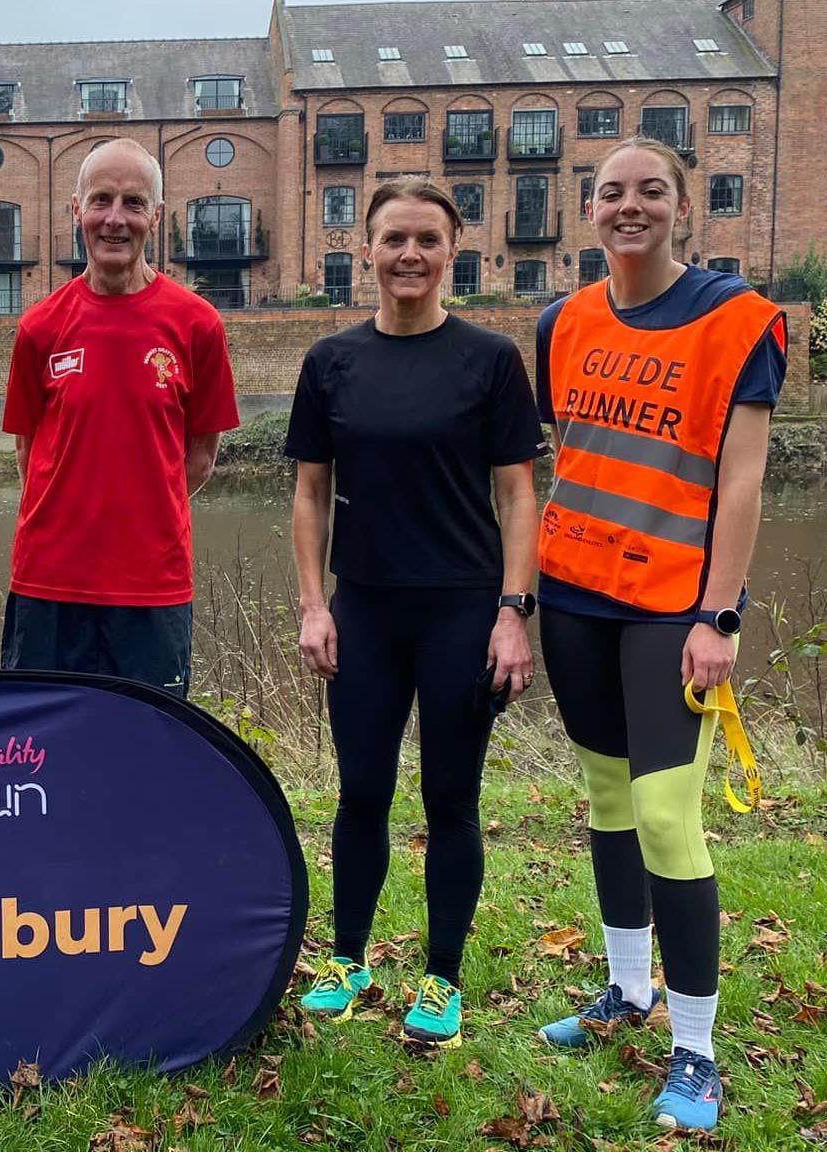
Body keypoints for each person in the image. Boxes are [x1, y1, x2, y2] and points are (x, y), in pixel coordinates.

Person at [531, 137, 784, 1135]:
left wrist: (717, 615)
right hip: (572, 594)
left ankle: (695, 1047)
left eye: (648, 191)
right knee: (604, 796)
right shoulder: (561, 322)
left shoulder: (734, 320)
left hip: (670, 607)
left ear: (679, 207)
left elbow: (742, 481)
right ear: (586, 211)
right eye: (609, 193)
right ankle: (625, 990)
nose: (626, 206)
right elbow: (569, 453)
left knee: (667, 816)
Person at [286, 177, 543, 1049]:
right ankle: (349, 962)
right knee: (361, 791)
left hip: (461, 611)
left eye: (427, 241)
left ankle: (441, 979)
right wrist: (314, 605)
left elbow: (518, 495)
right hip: (363, 610)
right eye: (393, 238)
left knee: (450, 799)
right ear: (365, 251)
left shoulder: (490, 360)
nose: (409, 255)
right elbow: (311, 493)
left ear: (451, 252)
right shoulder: (331, 362)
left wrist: (514, 612)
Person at [0, 139, 238, 695]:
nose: (114, 219)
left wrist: (144, 511)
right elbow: (27, 453)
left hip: (152, 588)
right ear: (76, 210)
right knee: (40, 753)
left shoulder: (197, 325)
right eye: (101, 200)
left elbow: (200, 456)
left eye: (133, 203)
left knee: (149, 756)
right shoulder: (40, 326)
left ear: (155, 216)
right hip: (48, 585)